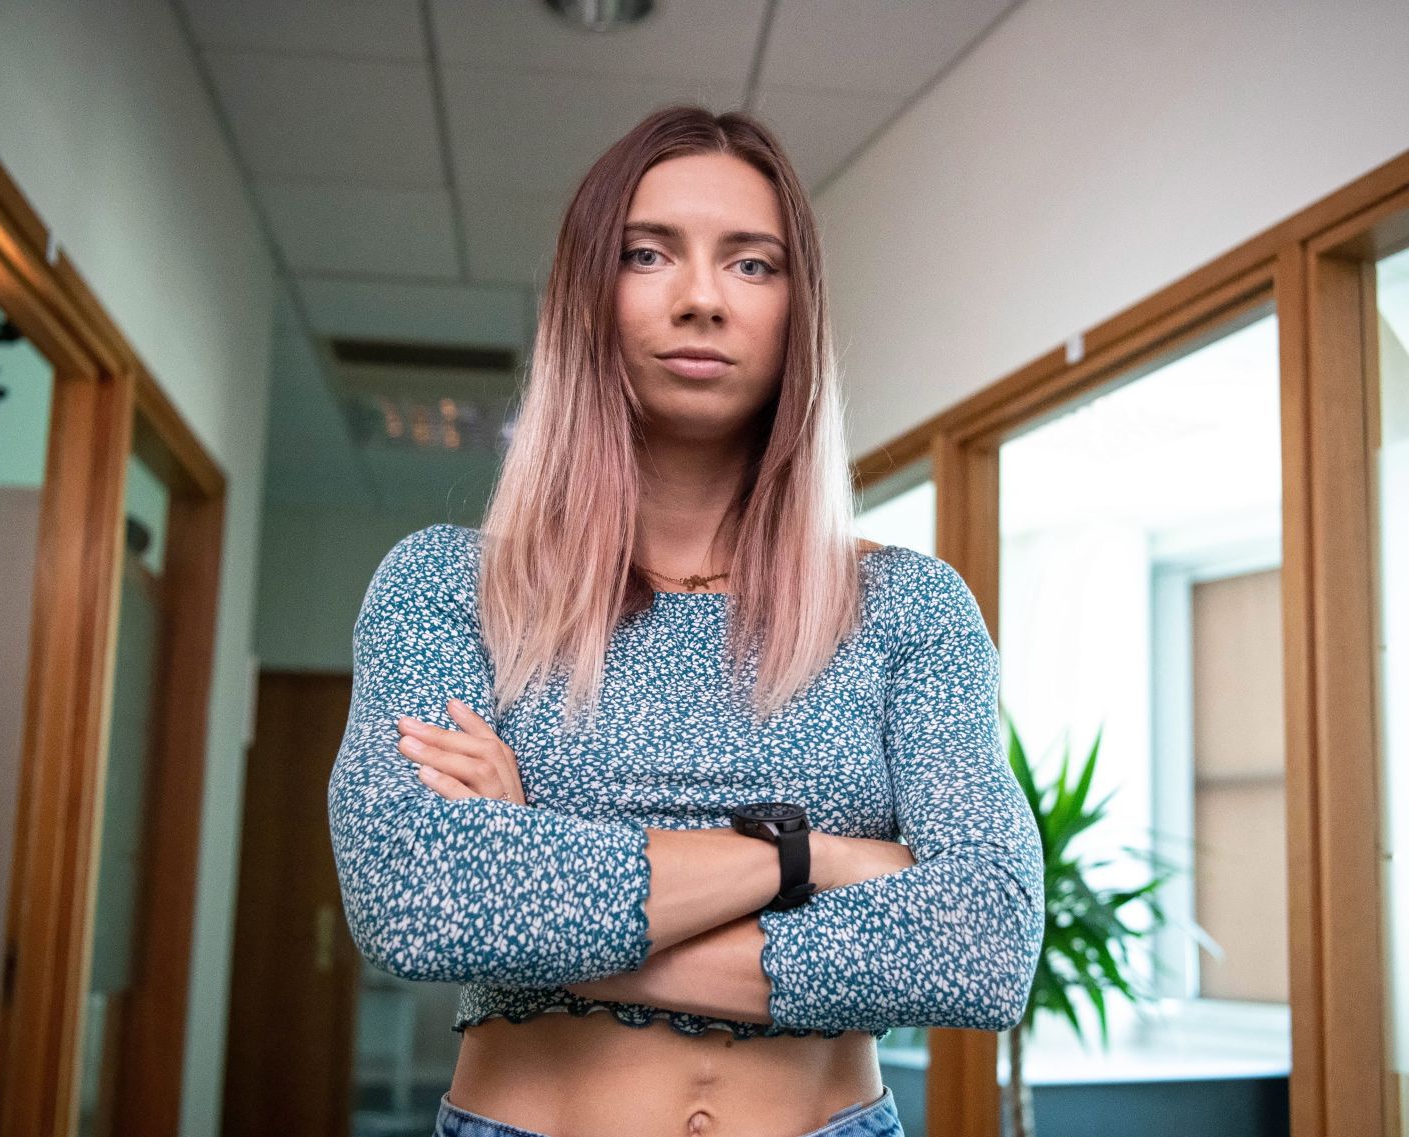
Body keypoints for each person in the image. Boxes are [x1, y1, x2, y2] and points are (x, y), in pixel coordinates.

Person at [327, 105, 1044, 1137]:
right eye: (648, 253)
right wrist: (809, 857)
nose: (701, 298)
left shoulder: (908, 605)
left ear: (800, 310)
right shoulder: (447, 588)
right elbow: (415, 898)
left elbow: (981, 944)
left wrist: (535, 861)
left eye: (752, 264)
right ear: (587, 296)